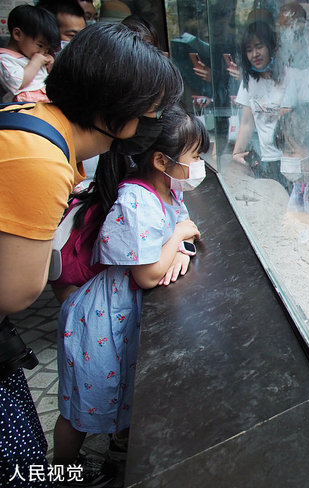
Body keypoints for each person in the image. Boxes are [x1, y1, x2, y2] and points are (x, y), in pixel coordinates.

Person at [0, 22, 182, 487]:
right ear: (113, 110)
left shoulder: (38, 116)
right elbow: (18, 292)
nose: (152, 123)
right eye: (151, 111)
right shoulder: (41, 159)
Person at [53, 105, 207, 482]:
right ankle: (60, 473)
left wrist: (177, 247)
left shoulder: (166, 189)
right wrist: (179, 236)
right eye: (195, 156)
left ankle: (113, 453)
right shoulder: (134, 201)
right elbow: (148, 273)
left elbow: (166, 246)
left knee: (113, 393)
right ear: (160, 159)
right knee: (79, 410)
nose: (199, 165)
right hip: (98, 322)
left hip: (117, 318)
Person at [231, 20, 291, 192]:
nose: (255, 54)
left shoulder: (289, 76)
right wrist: (236, 154)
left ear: (271, 47)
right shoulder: (249, 81)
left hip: (288, 159)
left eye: (259, 47)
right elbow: (246, 123)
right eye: (249, 50)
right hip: (266, 159)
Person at [0, 5, 59, 103]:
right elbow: (18, 83)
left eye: (47, 49)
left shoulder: (30, 55)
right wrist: (36, 63)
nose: (43, 52)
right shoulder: (5, 59)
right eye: (40, 45)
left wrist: (50, 67)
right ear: (18, 34)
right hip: (25, 107)